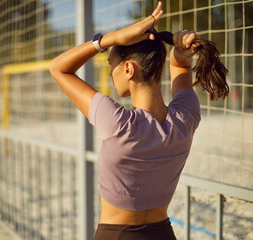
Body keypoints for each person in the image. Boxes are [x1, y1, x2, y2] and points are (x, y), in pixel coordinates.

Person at [49, 2, 228, 239]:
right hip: (164, 233)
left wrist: (107, 40)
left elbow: (58, 68)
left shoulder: (118, 123)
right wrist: (180, 56)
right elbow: (181, 67)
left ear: (129, 70)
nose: (111, 71)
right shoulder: (186, 117)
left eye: (111, 64)